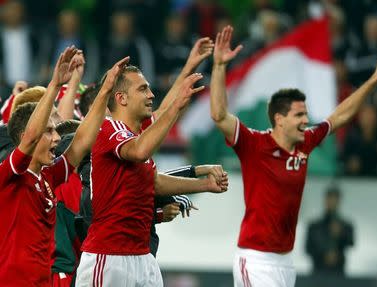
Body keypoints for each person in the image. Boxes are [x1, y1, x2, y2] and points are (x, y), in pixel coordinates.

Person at [210, 25, 377, 287]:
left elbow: (340, 116)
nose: (306, 120)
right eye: (299, 115)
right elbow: (219, 115)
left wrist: (376, 77)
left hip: (286, 263)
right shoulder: (254, 143)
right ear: (279, 119)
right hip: (255, 260)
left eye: (306, 114)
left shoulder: (305, 143)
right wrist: (219, 66)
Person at [75, 63, 228, 286]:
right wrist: (176, 106)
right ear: (122, 98)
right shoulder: (108, 128)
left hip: (143, 255)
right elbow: (139, 151)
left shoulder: (135, 134)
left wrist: (205, 185)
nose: (151, 94)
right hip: (108, 257)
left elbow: (153, 182)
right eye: (143, 89)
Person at [0, 46, 124, 286]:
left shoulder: (46, 176)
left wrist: (105, 91)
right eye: (49, 131)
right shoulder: (10, 173)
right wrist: (55, 84)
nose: (57, 138)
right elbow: (32, 137)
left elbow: (80, 143)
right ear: (28, 135)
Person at [305, 186, 354, 276]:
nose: (332, 202)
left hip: (339, 274)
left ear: (339, 201)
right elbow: (308, 249)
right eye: (330, 199)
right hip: (318, 272)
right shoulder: (314, 226)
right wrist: (324, 255)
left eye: (335, 199)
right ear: (325, 200)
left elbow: (351, 243)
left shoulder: (346, 226)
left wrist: (341, 234)